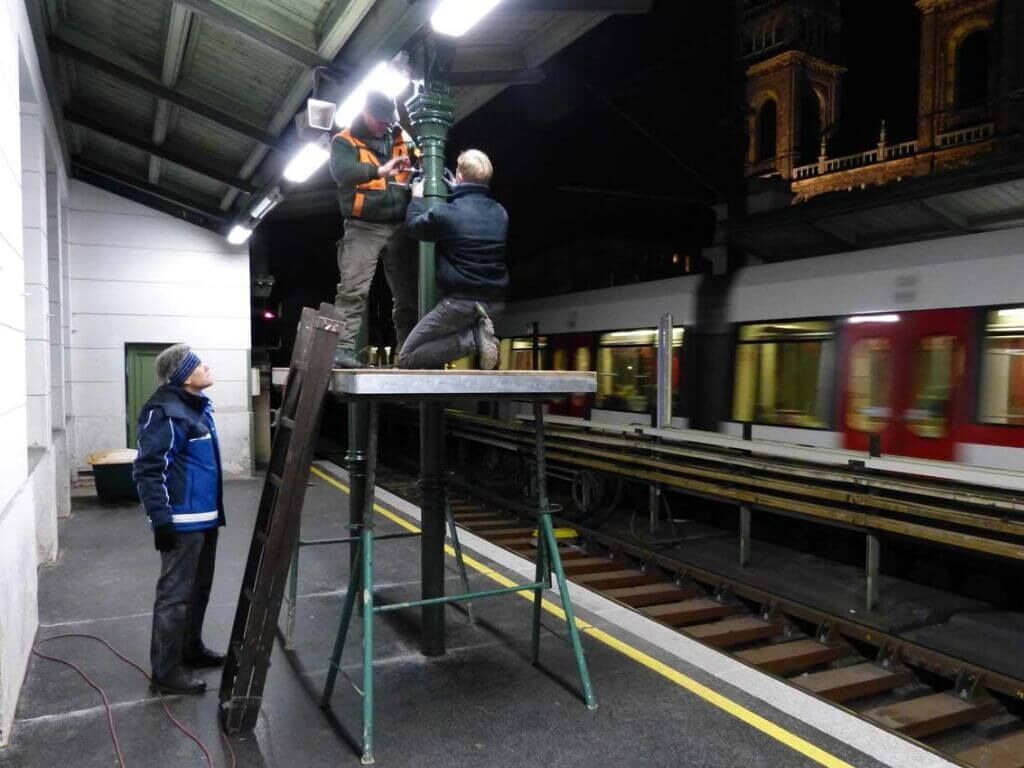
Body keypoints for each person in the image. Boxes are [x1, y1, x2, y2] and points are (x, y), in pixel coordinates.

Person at [133, 344, 225, 695]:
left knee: (199, 589)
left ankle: (190, 649)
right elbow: (149, 470)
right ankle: (166, 671)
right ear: (185, 376)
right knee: (174, 595)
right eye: (199, 364)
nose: (207, 366)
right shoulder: (166, 412)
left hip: (205, 519)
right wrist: (161, 520)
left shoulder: (197, 407)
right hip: (183, 522)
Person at [330, 90, 419, 367]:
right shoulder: (344, 141)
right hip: (363, 226)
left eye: (389, 120)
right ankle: (342, 350)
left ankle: (409, 352)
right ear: (366, 112)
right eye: (380, 120)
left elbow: (420, 156)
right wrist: (381, 170)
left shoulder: (400, 135)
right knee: (353, 290)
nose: (385, 126)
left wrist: (417, 164)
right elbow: (342, 173)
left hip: (399, 225)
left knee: (408, 295)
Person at [399, 149, 508, 370]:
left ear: (459, 175)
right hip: (494, 304)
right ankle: (477, 336)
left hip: (460, 303)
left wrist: (416, 197)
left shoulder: (446, 213)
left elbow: (413, 227)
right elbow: (471, 219)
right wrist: (458, 190)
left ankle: (473, 340)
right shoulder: (501, 213)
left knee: (407, 356)